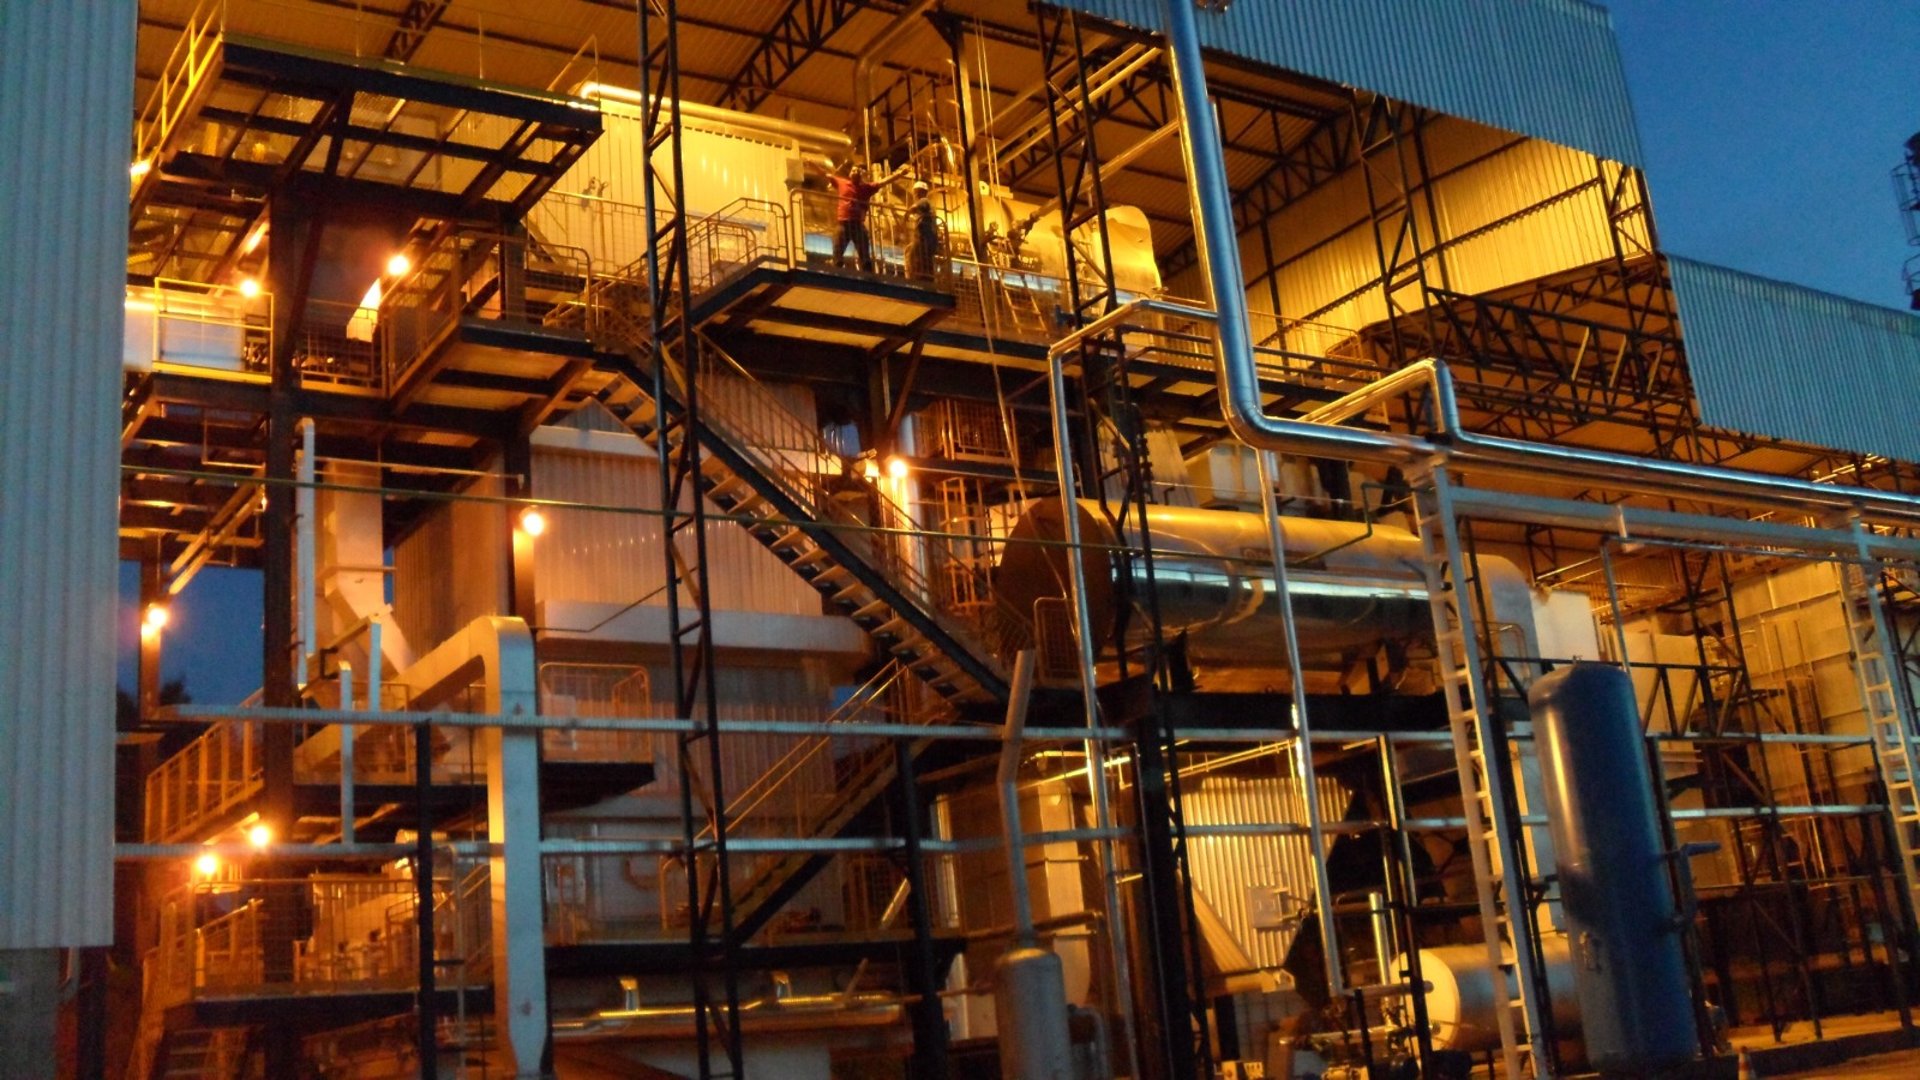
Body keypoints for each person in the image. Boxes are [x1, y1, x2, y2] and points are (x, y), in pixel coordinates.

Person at [811, 157, 910, 272]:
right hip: (843, 223)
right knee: (837, 249)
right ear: (849, 173)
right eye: (853, 170)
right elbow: (825, 174)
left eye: (857, 171)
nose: (855, 172)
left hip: (857, 224)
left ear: (861, 175)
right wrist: (813, 165)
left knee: (864, 254)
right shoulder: (842, 183)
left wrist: (899, 174)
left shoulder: (866, 188)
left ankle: (867, 273)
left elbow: (883, 182)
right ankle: (837, 269)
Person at [904, 179, 940, 281]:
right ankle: (927, 277)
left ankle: (912, 276)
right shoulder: (929, 206)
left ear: (920, 192)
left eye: (915, 192)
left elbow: (915, 207)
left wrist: (907, 213)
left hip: (925, 237)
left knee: (910, 253)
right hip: (930, 238)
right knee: (925, 259)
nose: (914, 195)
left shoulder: (924, 201)